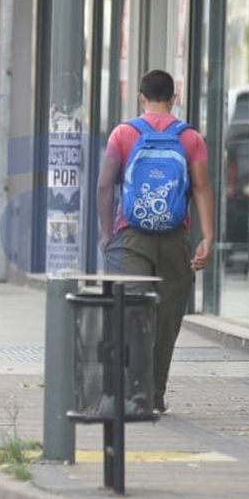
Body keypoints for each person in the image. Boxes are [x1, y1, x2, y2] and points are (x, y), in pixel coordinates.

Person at [96, 70, 215, 414]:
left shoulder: (124, 133)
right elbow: (202, 187)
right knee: (166, 318)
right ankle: (155, 393)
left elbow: (105, 185)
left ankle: (132, 393)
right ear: (174, 97)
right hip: (175, 236)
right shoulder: (191, 138)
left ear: (141, 97)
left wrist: (107, 233)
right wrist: (207, 237)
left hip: (130, 235)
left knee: (131, 315)